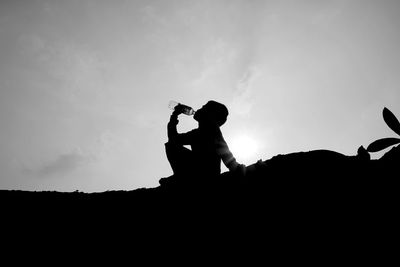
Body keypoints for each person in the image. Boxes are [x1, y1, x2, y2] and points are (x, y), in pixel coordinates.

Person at [160, 100, 245, 185]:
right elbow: (173, 139)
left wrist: (235, 167)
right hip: (197, 169)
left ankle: (181, 178)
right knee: (171, 146)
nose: (199, 109)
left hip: (207, 174)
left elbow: (224, 151)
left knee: (171, 146)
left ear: (210, 114)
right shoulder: (197, 133)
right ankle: (181, 176)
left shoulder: (212, 129)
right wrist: (174, 116)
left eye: (203, 107)